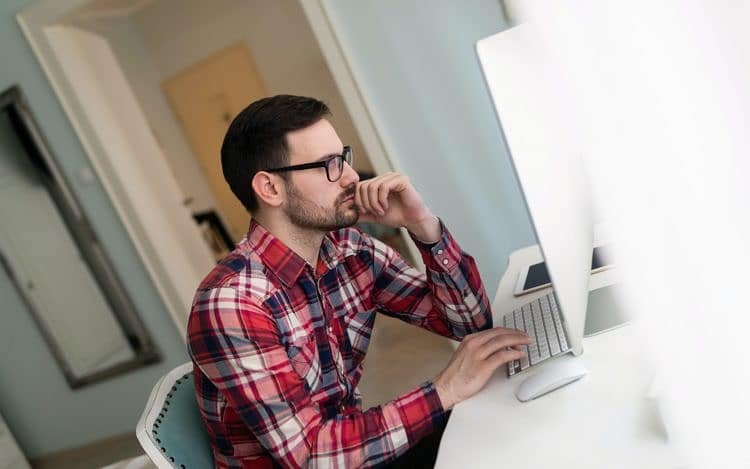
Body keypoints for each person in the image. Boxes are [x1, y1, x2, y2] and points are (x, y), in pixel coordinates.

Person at [187, 95, 532, 468]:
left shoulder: (348, 251)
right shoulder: (233, 303)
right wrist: (444, 390)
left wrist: (422, 225)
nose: (352, 177)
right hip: (323, 461)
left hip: (352, 456)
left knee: (507, 433)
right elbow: (311, 456)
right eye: (329, 166)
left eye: (343, 157)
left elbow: (469, 323)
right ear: (270, 189)